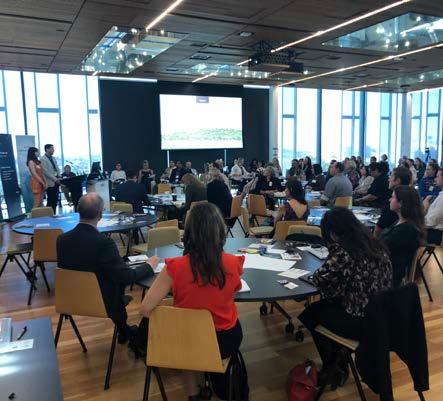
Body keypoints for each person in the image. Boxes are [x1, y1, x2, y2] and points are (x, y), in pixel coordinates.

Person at [140, 203, 244, 401]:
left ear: (188, 232)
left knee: (185, 343)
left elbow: (145, 309)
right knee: (212, 332)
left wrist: (174, 306)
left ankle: (193, 395)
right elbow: (235, 290)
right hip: (224, 341)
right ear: (220, 231)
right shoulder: (233, 263)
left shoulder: (174, 267)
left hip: (187, 340)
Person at [298, 208, 392, 388]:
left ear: (333, 233)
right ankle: (338, 359)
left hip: (361, 321)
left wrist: (330, 257)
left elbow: (319, 279)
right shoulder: (375, 245)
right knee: (324, 308)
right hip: (382, 316)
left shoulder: (344, 252)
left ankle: (334, 366)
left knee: (310, 314)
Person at [57, 193, 158, 344]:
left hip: (69, 300)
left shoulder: (61, 240)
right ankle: (123, 329)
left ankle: (123, 330)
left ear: (78, 212)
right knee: (116, 282)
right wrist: (149, 266)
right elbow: (126, 277)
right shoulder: (104, 243)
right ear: (100, 215)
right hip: (102, 301)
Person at [381, 186, 425, 287]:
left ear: (400, 203)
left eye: (393, 197)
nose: (390, 200)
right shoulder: (403, 222)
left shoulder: (407, 229)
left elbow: (383, 246)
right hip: (386, 268)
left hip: (389, 274)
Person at [373, 166, 412, 237]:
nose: (388, 180)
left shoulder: (392, 203)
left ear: (397, 181)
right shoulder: (412, 197)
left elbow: (378, 229)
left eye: (391, 177)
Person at [423, 167, 443, 245]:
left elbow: (430, 222)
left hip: (435, 235)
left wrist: (425, 207)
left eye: (438, 176)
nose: (435, 179)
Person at [40, 144, 61, 213]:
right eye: (52, 149)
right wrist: (55, 179)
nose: (53, 150)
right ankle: (49, 215)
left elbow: (57, 168)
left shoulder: (53, 158)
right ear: (47, 149)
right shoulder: (43, 159)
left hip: (57, 181)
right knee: (51, 200)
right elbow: (46, 172)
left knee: (55, 199)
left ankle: (54, 214)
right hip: (50, 182)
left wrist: (59, 176)